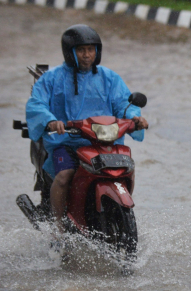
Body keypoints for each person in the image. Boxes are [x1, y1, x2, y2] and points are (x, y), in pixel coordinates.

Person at [25, 24, 149, 235]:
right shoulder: (52, 78)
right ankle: (59, 228)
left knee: (128, 169)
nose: (86, 55)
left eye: (91, 49)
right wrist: (51, 120)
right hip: (67, 141)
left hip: (103, 141)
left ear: (97, 51)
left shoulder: (109, 78)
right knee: (64, 176)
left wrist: (134, 119)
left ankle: (117, 209)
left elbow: (123, 103)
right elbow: (37, 104)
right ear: (70, 52)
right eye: (81, 50)